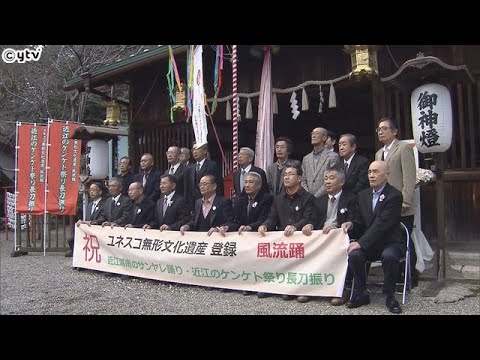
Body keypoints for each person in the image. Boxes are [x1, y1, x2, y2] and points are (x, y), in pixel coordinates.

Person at [341, 160, 405, 314]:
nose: (371, 175)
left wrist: (361, 243)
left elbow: (382, 225)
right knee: (354, 255)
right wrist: (351, 224)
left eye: (376, 172)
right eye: (370, 172)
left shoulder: (395, 195)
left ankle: (390, 296)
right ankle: (362, 292)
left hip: (390, 241)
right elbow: (359, 221)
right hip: (370, 244)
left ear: (387, 175)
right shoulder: (363, 195)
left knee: (389, 256)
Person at [258, 164, 314, 302]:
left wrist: (296, 226)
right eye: (285, 175)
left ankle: (297, 289)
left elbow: (308, 218)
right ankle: (273, 286)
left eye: (290, 174)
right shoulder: (278, 198)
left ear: (299, 178)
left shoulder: (308, 198)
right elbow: (272, 217)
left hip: (302, 242)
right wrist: (265, 225)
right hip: (284, 241)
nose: (286, 177)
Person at [301, 168, 357, 305]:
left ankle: (342, 289)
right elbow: (313, 220)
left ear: (342, 182)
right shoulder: (318, 200)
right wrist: (309, 225)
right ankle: (312, 288)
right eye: (325, 178)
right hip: (322, 238)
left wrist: (342, 226)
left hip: (341, 238)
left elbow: (355, 221)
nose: (327, 181)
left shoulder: (351, 198)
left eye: (331, 178)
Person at [374, 117, 418, 287]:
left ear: (394, 131)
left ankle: (411, 275)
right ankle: (396, 273)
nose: (381, 132)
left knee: (406, 239)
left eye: (385, 128)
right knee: (391, 239)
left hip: (401, 203)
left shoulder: (403, 148)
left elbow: (409, 176)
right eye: (379, 129)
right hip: (385, 204)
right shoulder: (379, 153)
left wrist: (406, 199)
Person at [66, 181, 107, 257]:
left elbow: (104, 217)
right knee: (71, 240)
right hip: (88, 230)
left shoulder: (105, 203)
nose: (91, 192)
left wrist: (93, 222)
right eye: (90, 190)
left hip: (99, 229)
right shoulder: (90, 204)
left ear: (100, 191)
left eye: (94, 190)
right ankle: (78, 258)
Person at [301, 127, 341, 198]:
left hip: (324, 198)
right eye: (312, 133)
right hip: (307, 199)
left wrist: (315, 197)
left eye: (316, 133)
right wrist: (308, 196)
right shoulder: (306, 158)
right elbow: (303, 179)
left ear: (324, 137)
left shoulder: (333, 156)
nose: (313, 136)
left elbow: (331, 179)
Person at [183, 143, 224, 210]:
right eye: (193, 149)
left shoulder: (212, 165)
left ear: (205, 151)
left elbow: (219, 185)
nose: (195, 151)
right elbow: (187, 189)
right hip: (193, 204)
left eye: (197, 149)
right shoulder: (190, 168)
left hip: (209, 201)